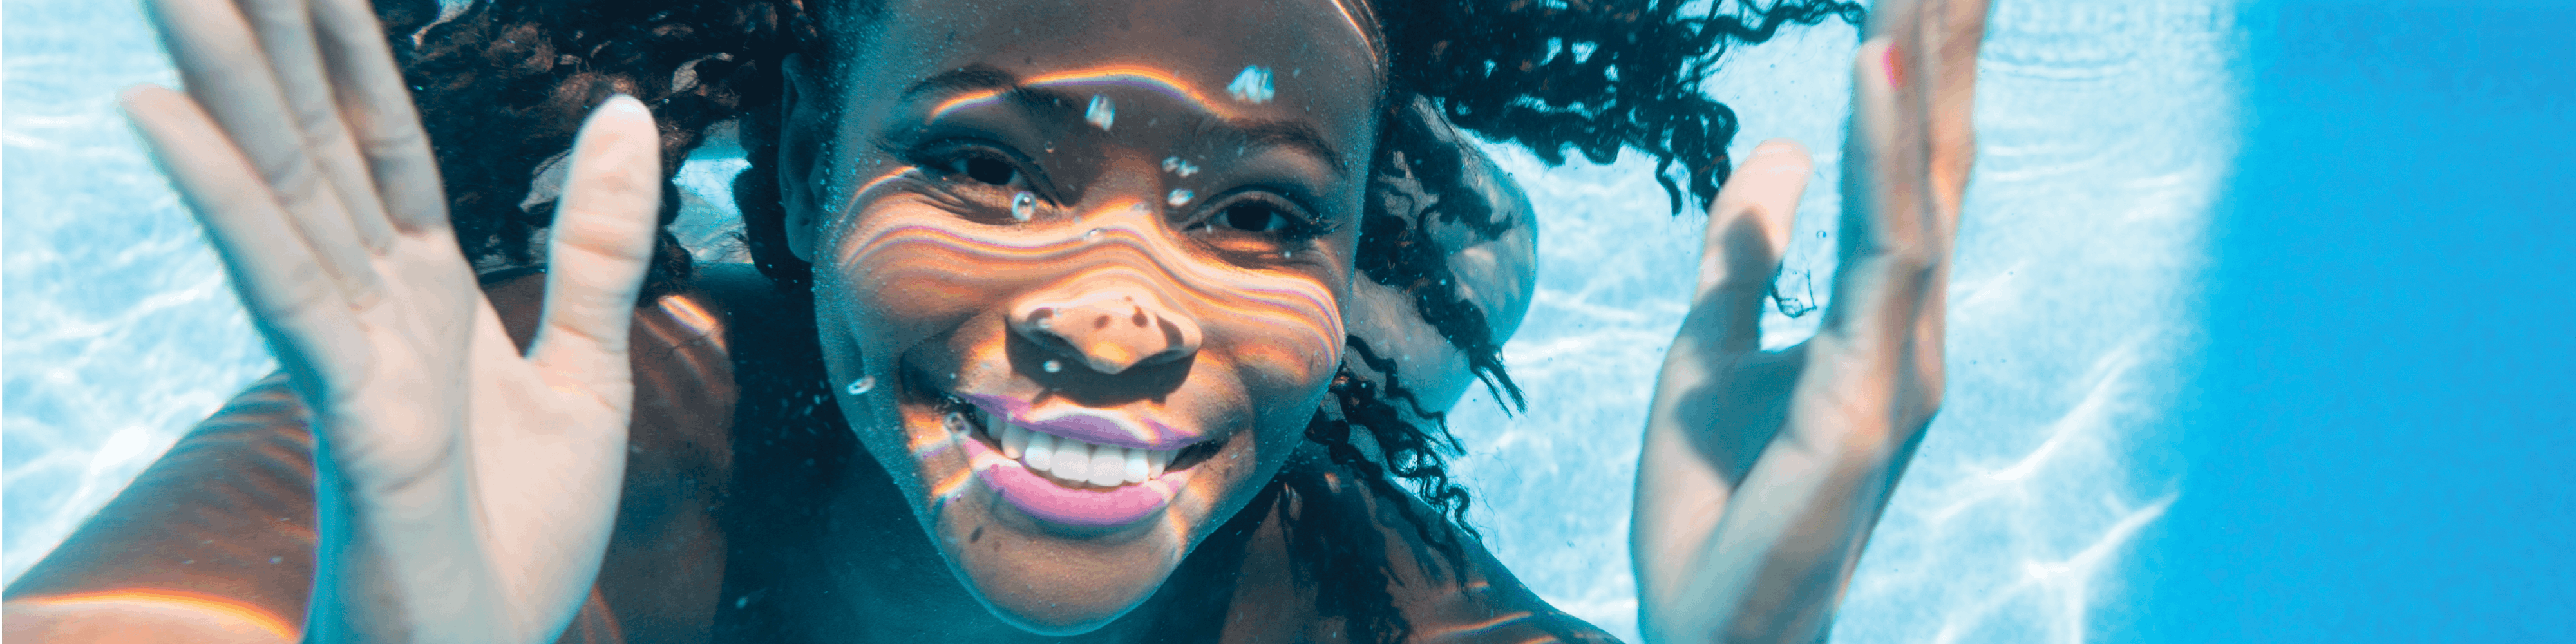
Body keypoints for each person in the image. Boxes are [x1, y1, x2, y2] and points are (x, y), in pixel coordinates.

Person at [1, 0, 1987, 640]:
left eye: (1258, 214)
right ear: (795, 186)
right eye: (987, 171)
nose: (1115, 318)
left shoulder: (1336, 585)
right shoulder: (558, 426)